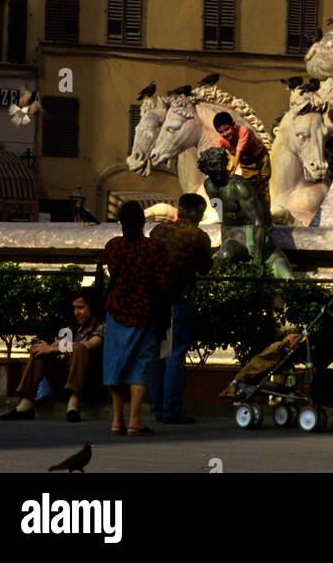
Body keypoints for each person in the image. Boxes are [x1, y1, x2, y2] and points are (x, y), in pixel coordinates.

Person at [103, 200, 171, 437]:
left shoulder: (113, 247)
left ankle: (116, 420)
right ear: (143, 222)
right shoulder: (154, 248)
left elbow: (113, 273)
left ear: (121, 223)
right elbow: (164, 283)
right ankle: (135, 421)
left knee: (116, 363)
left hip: (116, 311)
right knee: (140, 365)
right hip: (145, 312)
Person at [148, 193, 213, 424]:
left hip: (155, 297)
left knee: (158, 353)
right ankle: (171, 410)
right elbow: (206, 267)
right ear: (201, 214)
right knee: (175, 353)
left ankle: (157, 408)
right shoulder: (198, 236)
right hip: (180, 295)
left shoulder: (158, 232)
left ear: (179, 211)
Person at [0, 292, 105, 423]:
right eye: (74, 308)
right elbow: (55, 344)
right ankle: (26, 404)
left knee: (79, 348)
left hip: (89, 385)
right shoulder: (75, 328)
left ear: (92, 308)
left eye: (80, 307)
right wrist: (50, 348)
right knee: (40, 350)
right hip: (65, 383)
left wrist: (56, 348)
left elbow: (88, 345)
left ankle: (73, 404)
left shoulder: (103, 327)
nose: (76, 312)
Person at [212, 111, 271, 218]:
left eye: (227, 129)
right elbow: (216, 155)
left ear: (233, 125)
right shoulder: (221, 141)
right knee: (249, 189)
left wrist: (232, 171)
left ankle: (266, 220)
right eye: (221, 132)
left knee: (262, 189)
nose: (225, 134)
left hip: (260, 158)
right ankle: (252, 217)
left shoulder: (244, 132)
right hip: (246, 163)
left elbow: (239, 152)